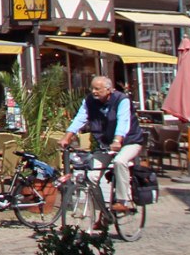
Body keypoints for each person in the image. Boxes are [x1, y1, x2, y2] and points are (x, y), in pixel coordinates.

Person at [60, 75, 146, 214]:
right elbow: (80, 118)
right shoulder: (89, 101)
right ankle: (103, 214)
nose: (94, 92)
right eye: (92, 88)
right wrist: (67, 137)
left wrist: (118, 140)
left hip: (130, 141)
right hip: (105, 145)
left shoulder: (121, 100)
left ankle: (123, 201)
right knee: (92, 177)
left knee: (120, 161)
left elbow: (123, 121)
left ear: (108, 89)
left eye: (97, 89)